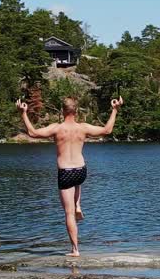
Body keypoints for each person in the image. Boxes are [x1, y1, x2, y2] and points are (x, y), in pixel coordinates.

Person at [16, 95, 124, 257]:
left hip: (65, 172)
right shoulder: (83, 127)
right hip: (81, 171)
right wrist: (115, 109)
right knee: (77, 182)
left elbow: (33, 133)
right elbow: (107, 130)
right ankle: (78, 205)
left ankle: (75, 249)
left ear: (62, 111)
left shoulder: (57, 128)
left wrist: (23, 113)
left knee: (68, 213)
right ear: (76, 111)